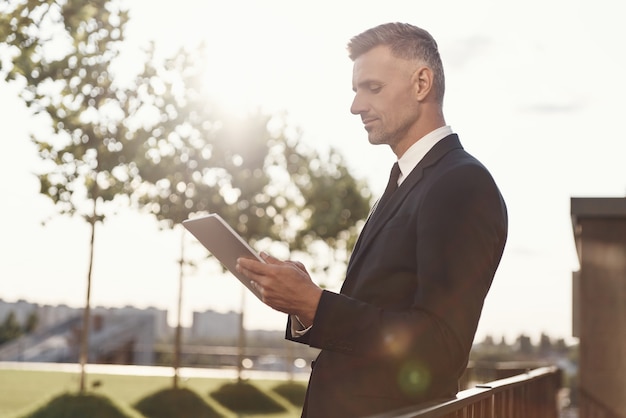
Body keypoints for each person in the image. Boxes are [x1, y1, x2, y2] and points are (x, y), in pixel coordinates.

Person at [236, 22, 508, 418]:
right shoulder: (406, 180)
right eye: (355, 90)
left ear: (421, 84)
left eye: (372, 88)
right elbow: (380, 309)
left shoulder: (460, 182)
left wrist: (317, 305)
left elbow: (442, 345)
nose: (356, 105)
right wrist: (305, 301)